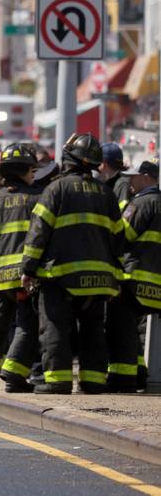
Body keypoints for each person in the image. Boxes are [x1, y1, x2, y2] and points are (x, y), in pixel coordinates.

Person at [21, 133, 124, 395]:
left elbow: (38, 233)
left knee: (55, 326)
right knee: (93, 329)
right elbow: (118, 240)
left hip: (60, 277)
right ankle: (93, 381)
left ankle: (58, 381)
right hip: (99, 279)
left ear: (69, 157)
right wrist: (117, 278)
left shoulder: (56, 189)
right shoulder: (107, 194)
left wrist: (28, 268)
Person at [0, 144, 42, 392]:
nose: (34, 174)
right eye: (31, 170)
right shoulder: (36, 199)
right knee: (28, 325)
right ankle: (14, 374)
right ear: (22, 170)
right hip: (25, 276)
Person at [106, 159, 161, 392]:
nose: (129, 180)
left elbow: (122, 235)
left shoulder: (140, 203)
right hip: (156, 283)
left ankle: (124, 379)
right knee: (136, 332)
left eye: (134, 176)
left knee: (121, 329)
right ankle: (139, 374)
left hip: (134, 278)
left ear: (146, 177)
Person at [99, 142, 132, 209]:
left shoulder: (122, 184)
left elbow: (122, 212)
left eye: (98, 163)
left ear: (104, 164)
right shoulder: (116, 180)